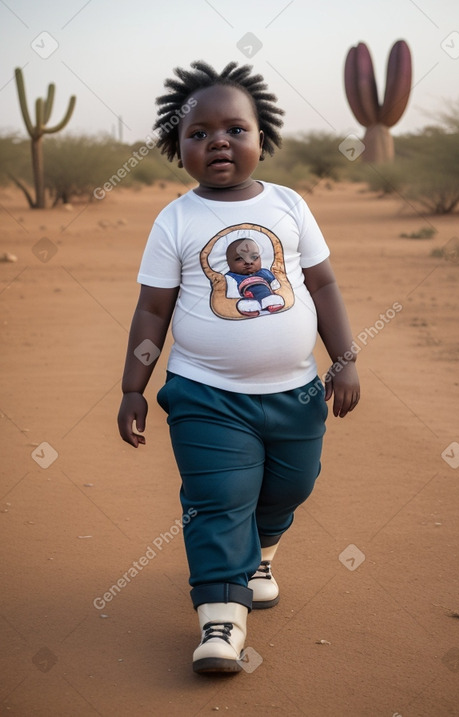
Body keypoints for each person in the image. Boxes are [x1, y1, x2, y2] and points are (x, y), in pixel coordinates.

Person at [117, 60, 360, 675]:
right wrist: (133, 386)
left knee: (292, 486)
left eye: (235, 129)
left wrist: (346, 360)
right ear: (178, 147)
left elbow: (323, 284)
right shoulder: (175, 220)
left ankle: (262, 553)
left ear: (262, 138)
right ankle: (221, 618)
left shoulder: (289, 205)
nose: (217, 141)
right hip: (204, 393)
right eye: (197, 133)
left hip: (297, 392)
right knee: (219, 497)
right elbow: (152, 310)